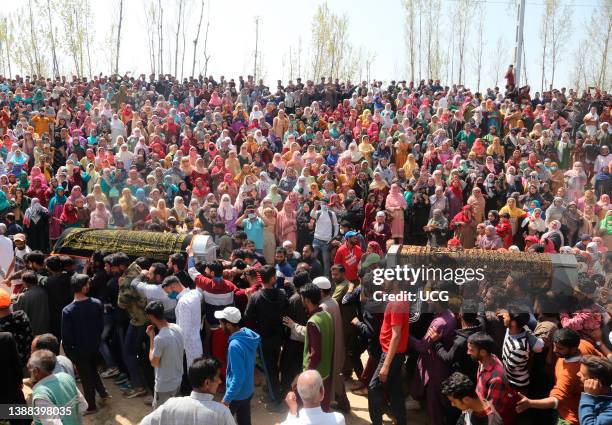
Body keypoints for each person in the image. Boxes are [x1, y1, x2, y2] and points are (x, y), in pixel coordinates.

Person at [516, 328, 603, 425]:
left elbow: (556, 400)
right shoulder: (583, 344)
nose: (554, 350)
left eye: (560, 348)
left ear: (573, 348)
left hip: (571, 417)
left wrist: (530, 403)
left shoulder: (567, 375)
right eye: (554, 346)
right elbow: (601, 359)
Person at [140, 356, 236, 425]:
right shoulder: (222, 413)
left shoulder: (171, 404)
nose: (220, 381)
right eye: (218, 377)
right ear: (207, 383)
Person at [61, 273, 108, 413]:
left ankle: (91, 406)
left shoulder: (68, 310)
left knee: (86, 377)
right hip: (94, 346)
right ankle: (103, 393)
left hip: (79, 351)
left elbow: (67, 337)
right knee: (93, 370)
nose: (89, 286)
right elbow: (101, 326)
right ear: (82, 287)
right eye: (87, 284)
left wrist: (71, 356)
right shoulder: (97, 303)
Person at [244, 265, 288, 411]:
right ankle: (272, 390)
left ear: (260, 279)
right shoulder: (282, 294)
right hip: (279, 337)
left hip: (264, 338)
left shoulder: (256, 297)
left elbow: (247, 316)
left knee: (270, 370)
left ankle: (276, 400)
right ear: (273, 278)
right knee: (274, 366)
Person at [368, 279, 409, 425]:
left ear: (395, 282)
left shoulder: (397, 303)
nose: (383, 281)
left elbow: (396, 335)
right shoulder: (400, 298)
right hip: (395, 354)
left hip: (390, 355)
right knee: (395, 390)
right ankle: (401, 420)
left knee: (373, 389)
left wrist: (385, 365)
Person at [216, 306, 261, 425]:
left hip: (237, 394)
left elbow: (238, 376)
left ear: (229, 325)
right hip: (248, 390)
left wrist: (226, 399)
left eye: (221, 324)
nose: (220, 327)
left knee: (222, 421)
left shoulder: (234, 345)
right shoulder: (247, 335)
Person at [467, 332, 518, 425]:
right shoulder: (485, 360)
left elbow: (491, 409)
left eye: (471, 350)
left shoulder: (496, 379)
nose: (468, 352)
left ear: (483, 352)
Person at [28, 349, 89, 423]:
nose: (29, 371)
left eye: (30, 368)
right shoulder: (66, 377)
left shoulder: (41, 395)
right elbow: (83, 406)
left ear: (36, 371)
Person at [145, 300, 185, 408]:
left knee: (160, 417)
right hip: (177, 380)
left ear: (152, 317)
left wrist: (151, 337)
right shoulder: (178, 328)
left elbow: (154, 362)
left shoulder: (160, 338)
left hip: (164, 385)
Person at [161, 275, 203, 367]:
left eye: (168, 292)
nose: (168, 295)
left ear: (174, 286)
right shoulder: (194, 293)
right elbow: (199, 290)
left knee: (193, 373)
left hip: (189, 347)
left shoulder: (183, 303)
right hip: (197, 341)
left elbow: (184, 331)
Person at [281, 370, 346, 425]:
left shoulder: (290, 423)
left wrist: (293, 411)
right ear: (322, 392)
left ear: (299, 394)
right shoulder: (338, 419)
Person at [577, 355, 612, 425]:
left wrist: (588, 397)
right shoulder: (599, 394)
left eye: (583, 374)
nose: (577, 374)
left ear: (595, 382)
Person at [14, 270, 50, 336]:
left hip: (32, 330)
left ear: (27, 283)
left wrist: (14, 301)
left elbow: (20, 313)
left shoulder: (24, 296)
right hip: (45, 328)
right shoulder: (44, 292)